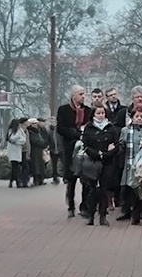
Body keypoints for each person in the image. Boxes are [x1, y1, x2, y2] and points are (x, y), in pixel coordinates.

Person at [79, 105, 119, 226]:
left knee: (104, 190)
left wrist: (107, 154)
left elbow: (116, 144)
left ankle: (103, 215)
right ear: (93, 115)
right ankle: (91, 215)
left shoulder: (110, 127)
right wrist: (97, 154)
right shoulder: (89, 128)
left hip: (107, 162)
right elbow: (85, 145)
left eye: (103, 113)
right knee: (91, 189)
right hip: (92, 162)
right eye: (98, 113)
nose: (101, 115)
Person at [56, 85, 92, 217]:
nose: (83, 96)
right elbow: (60, 128)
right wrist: (75, 133)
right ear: (73, 95)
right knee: (71, 178)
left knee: (86, 177)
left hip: (84, 148)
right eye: (80, 94)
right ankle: (71, 205)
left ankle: (85, 206)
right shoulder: (63, 110)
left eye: (84, 94)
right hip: (70, 147)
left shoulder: (88, 111)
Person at [4, 118, 30, 188]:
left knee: (16, 167)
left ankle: (12, 180)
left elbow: (23, 140)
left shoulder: (20, 130)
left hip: (18, 150)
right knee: (15, 166)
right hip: (13, 151)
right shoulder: (11, 131)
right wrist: (18, 139)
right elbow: (12, 139)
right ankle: (18, 181)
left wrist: (18, 141)